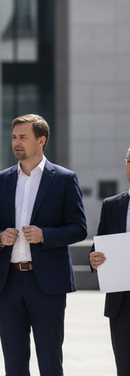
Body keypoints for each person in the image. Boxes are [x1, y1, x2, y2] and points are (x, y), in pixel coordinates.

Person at [0, 114, 87, 376]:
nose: (16, 142)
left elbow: (79, 228)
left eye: (23, 137)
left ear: (41, 140)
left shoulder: (63, 179)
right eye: (14, 137)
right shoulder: (1, 180)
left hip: (48, 284)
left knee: (50, 362)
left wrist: (45, 235)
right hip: (9, 283)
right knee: (14, 365)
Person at [89, 146, 130, 376]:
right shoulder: (112, 205)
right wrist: (93, 258)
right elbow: (100, 245)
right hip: (121, 302)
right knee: (124, 367)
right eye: (129, 160)